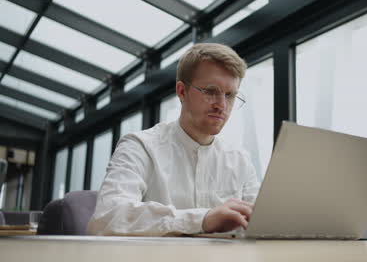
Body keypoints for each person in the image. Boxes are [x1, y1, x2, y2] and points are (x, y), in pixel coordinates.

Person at [87, 43, 259, 236]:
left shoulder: (241, 161)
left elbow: (261, 227)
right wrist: (203, 220)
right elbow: (107, 218)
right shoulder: (140, 146)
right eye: (210, 91)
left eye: (230, 95)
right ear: (181, 91)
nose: (221, 105)